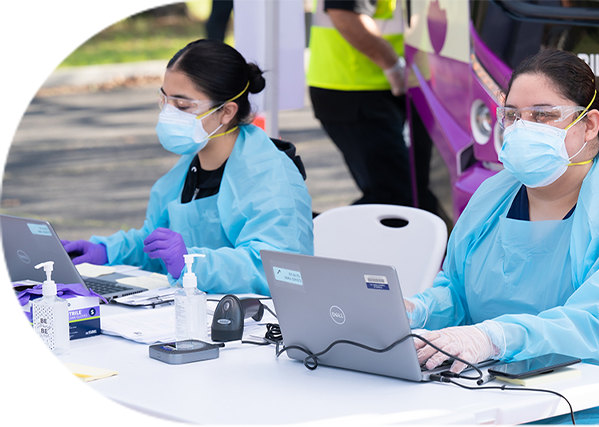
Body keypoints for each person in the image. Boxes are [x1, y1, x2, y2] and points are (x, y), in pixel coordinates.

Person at [405, 49, 599, 425]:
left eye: (542, 115)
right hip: (508, 388)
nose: (521, 129)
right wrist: (416, 311)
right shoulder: (492, 197)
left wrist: (493, 338)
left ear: (588, 125)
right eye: (512, 116)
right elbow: (458, 290)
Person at [62, 40, 314, 296]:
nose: (168, 114)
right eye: (164, 100)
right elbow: (158, 245)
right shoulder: (189, 167)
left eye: (183, 106)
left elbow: (274, 269)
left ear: (226, 112)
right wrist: (106, 251)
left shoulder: (269, 175)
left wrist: (192, 263)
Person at [307, 0, 413, 206]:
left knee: (397, 194)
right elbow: (346, 16)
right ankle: (318, 235)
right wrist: (393, 67)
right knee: (393, 199)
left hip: (368, 88)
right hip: (354, 89)